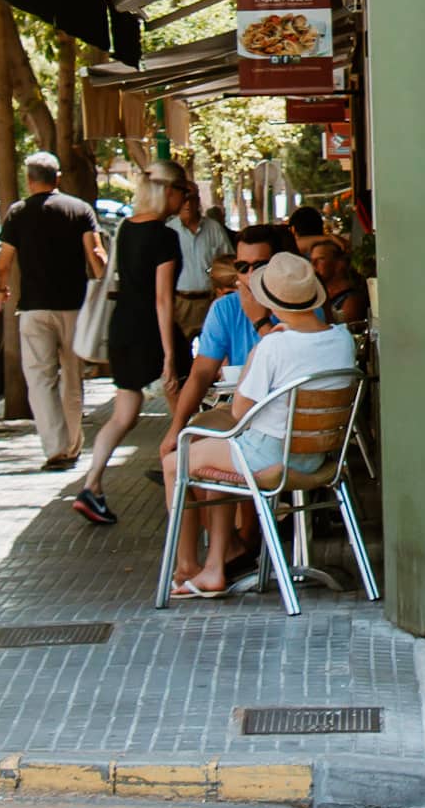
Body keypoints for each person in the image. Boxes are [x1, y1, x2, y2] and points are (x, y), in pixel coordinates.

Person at [169, 252, 359, 599]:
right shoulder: (341, 338)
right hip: (319, 459)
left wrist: (256, 353)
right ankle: (214, 566)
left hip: (269, 458)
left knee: (175, 461)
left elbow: (240, 411)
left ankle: (187, 567)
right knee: (213, 457)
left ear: (269, 301)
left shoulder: (273, 345)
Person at [160, 226, 292, 588]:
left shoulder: (298, 307)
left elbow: (289, 359)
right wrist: (175, 426)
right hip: (240, 412)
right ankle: (191, 562)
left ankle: (222, 556)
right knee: (186, 440)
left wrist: (259, 319)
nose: (248, 275)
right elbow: (202, 370)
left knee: (212, 441)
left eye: (258, 265)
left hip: (279, 424)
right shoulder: (224, 308)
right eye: (242, 265)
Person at [70, 168, 187, 525]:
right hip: (150, 330)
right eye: (183, 190)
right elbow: (162, 299)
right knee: (181, 403)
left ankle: (92, 485)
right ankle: (183, 476)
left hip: (122, 326)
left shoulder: (127, 228)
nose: (186, 198)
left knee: (124, 413)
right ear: (168, 191)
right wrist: (169, 353)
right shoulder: (164, 236)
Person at [0, 151, 106, 471]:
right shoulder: (79, 209)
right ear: (57, 178)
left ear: (29, 181)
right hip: (74, 307)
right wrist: (105, 286)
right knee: (72, 377)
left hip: (33, 308)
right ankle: (73, 446)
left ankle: (55, 448)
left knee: (40, 379)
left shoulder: (17, 214)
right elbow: (96, 254)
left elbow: (4, 261)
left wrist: (1, 290)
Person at [170, 181, 236, 339]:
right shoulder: (170, 231)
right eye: (184, 199)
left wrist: (209, 272)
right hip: (181, 302)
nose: (187, 204)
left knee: (215, 343)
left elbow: (227, 263)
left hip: (209, 299)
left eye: (192, 199)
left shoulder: (214, 228)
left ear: (198, 201)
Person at [309, 237, 370, 326]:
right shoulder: (316, 293)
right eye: (312, 260)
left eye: (321, 259)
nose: (313, 264)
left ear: (339, 264)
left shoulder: (352, 301)